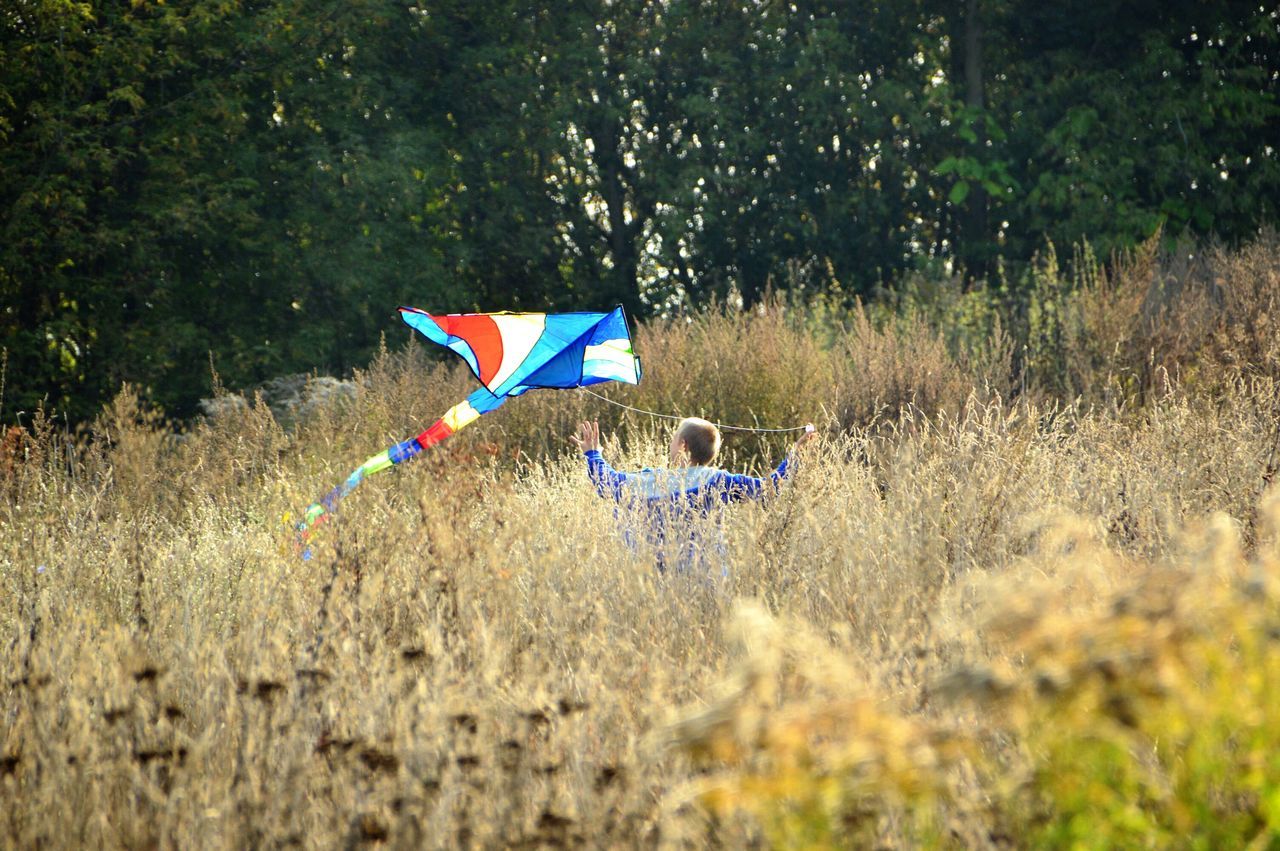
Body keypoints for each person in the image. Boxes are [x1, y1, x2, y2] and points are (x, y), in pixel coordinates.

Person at [570, 417, 815, 574]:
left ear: (683, 446)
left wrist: (593, 454)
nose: (671, 443)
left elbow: (608, 484)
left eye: (674, 439)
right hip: (712, 579)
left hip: (666, 585)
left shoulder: (653, 482)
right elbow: (768, 490)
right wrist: (796, 453)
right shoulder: (719, 480)